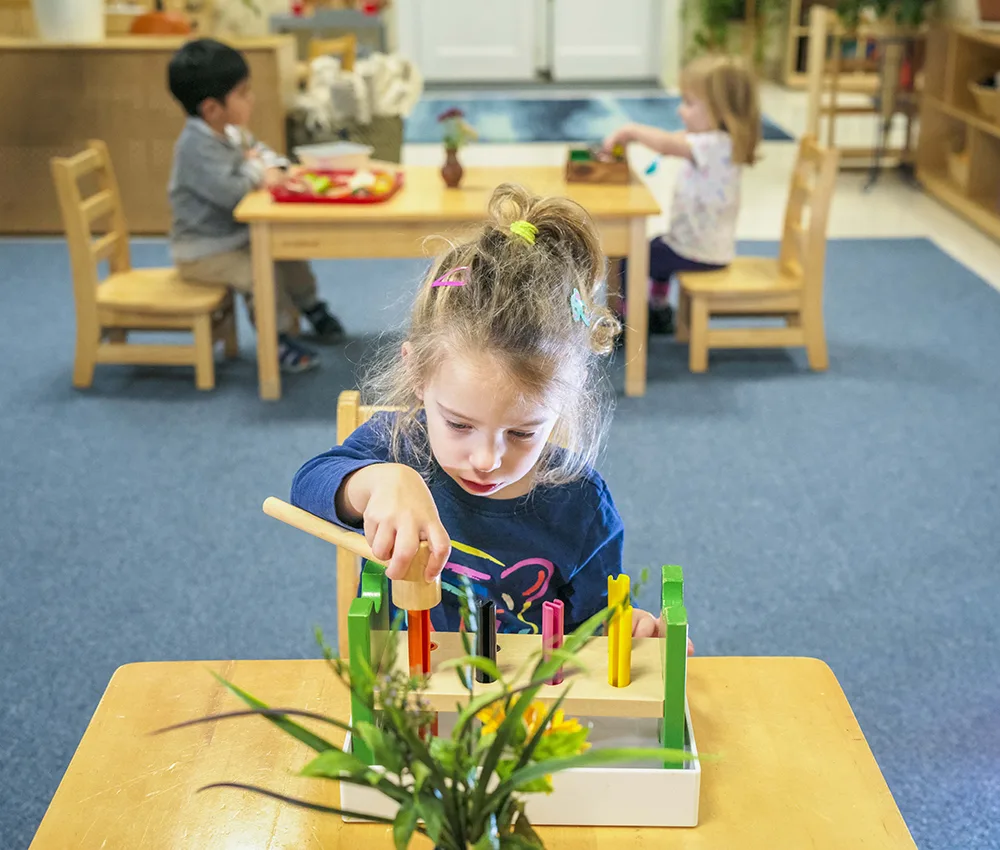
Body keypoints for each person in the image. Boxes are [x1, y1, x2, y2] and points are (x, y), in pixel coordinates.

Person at [291, 183, 669, 638]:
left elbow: (593, 623)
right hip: (405, 679)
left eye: (522, 433)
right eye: (458, 424)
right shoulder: (397, 445)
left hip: (523, 685)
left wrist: (627, 630)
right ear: (418, 375)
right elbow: (307, 486)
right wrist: (377, 481)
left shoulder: (581, 504)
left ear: (565, 402)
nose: (487, 460)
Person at [167, 38, 345, 373]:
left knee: (289, 250)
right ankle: (276, 340)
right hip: (205, 250)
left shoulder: (232, 132)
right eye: (243, 93)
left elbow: (264, 154)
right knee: (262, 275)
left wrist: (272, 167)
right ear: (212, 109)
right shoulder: (195, 147)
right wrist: (256, 171)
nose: (251, 99)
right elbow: (233, 194)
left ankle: (310, 304)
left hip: (237, 237)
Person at [604, 54, 761, 335]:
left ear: (720, 110)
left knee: (630, 260)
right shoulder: (720, 141)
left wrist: (630, 131)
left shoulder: (713, 145)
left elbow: (667, 143)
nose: (680, 111)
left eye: (689, 103)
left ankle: (628, 320)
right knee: (655, 248)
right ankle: (659, 307)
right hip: (700, 245)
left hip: (698, 251)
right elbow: (674, 141)